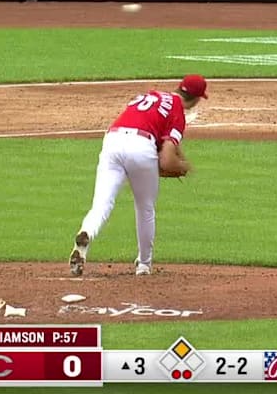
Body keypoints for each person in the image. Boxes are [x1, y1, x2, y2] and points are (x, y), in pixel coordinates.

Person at [69, 74, 208, 277]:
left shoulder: (151, 95)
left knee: (101, 205)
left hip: (113, 140)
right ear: (196, 99)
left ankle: (86, 233)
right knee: (145, 208)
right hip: (141, 146)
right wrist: (183, 167)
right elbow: (167, 160)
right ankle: (144, 265)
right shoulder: (177, 111)